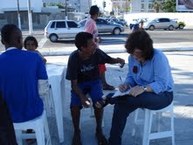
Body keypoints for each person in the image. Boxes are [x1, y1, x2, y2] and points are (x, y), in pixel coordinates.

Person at [108, 30, 174, 145]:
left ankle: (109, 98)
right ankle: (114, 142)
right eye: (133, 53)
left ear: (146, 50)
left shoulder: (158, 57)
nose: (135, 57)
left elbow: (162, 84)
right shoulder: (132, 57)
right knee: (121, 105)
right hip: (140, 94)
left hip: (163, 95)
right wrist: (127, 84)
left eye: (138, 53)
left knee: (129, 99)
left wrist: (143, 88)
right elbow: (131, 77)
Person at [66, 32, 125, 145]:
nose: (95, 46)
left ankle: (99, 130)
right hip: (80, 84)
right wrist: (82, 97)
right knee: (74, 106)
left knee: (99, 102)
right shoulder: (73, 58)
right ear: (83, 48)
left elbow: (108, 59)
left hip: (94, 81)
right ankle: (77, 131)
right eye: (92, 44)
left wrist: (119, 60)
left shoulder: (96, 53)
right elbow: (74, 85)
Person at [0, 24, 48, 124]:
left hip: (6, 116)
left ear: (3, 42)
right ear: (20, 40)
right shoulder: (35, 58)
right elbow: (43, 90)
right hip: (33, 111)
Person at [84, 5, 115, 90]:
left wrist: (96, 39)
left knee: (100, 65)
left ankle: (102, 84)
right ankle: (103, 84)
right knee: (101, 64)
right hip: (93, 49)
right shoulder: (90, 22)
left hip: (94, 48)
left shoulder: (91, 21)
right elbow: (87, 36)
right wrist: (97, 39)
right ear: (96, 13)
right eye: (98, 13)